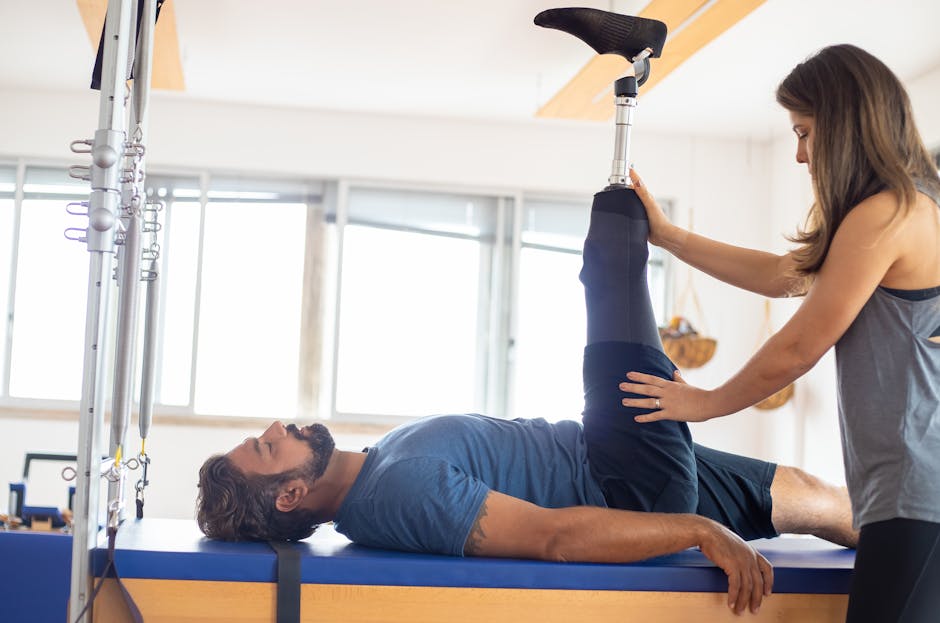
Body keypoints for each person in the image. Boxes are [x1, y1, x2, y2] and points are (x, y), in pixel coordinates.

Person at [196, 164, 859, 616]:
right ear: (289, 492)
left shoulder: (376, 467)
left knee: (819, 499)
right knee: (610, 250)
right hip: (624, 478)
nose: (278, 426)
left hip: (612, 454)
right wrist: (699, 530)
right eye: (265, 444)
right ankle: (631, 73)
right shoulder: (399, 492)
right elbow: (554, 538)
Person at [620, 44, 940, 623]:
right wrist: (668, 238)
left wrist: (705, 403)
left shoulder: (891, 214)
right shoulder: (900, 208)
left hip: (921, 498)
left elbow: (798, 348)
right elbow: (781, 275)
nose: (799, 154)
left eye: (805, 132)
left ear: (844, 127)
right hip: (901, 498)